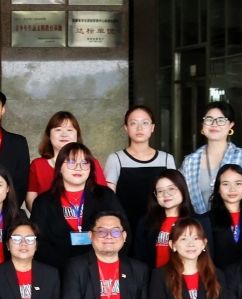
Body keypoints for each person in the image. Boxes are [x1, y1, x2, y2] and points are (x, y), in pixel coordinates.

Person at [30, 142, 122, 273]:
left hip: (101, 270)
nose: (78, 168)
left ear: (90, 168)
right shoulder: (43, 201)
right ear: (59, 167)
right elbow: (38, 242)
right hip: (57, 271)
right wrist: (68, 270)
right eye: (71, 162)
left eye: (84, 163)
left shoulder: (105, 195)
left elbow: (123, 231)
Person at [181, 99, 242, 214]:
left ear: (231, 125)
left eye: (221, 120)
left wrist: (237, 221)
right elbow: (181, 197)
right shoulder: (190, 161)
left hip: (235, 223)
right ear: (202, 125)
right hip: (199, 223)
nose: (214, 124)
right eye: (209, 119)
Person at [105, 104, 176, 224]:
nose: (139, 128)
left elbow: (174, 196)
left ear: (152, 127)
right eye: (133, 123)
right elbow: (110, 199)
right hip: (126, 224)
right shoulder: (116, 159)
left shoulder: (166, 159)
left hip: (160, 224)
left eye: (145, 123)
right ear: (126, 128)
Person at [26, 112, 110, 206]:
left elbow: (103, 196)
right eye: (58, 130)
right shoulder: (37, 165)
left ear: (77, 135)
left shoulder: (91, 162)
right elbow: (31, 198)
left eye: (70, 130)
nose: (64, 134)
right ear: (49, 135)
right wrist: (41, 214)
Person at [130, 169, 192, 272]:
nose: (166, 194)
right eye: (160, 191)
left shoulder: (198, 222)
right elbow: (139, 258)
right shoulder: (146, 223)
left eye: (171, 189)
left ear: (182, 189)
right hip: (156, 279)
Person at [203, 163, 242, 271]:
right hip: (217, 278)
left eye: (238, 183)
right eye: (225, 184)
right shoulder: (205, 220)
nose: (232, 189)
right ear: (218, 189)